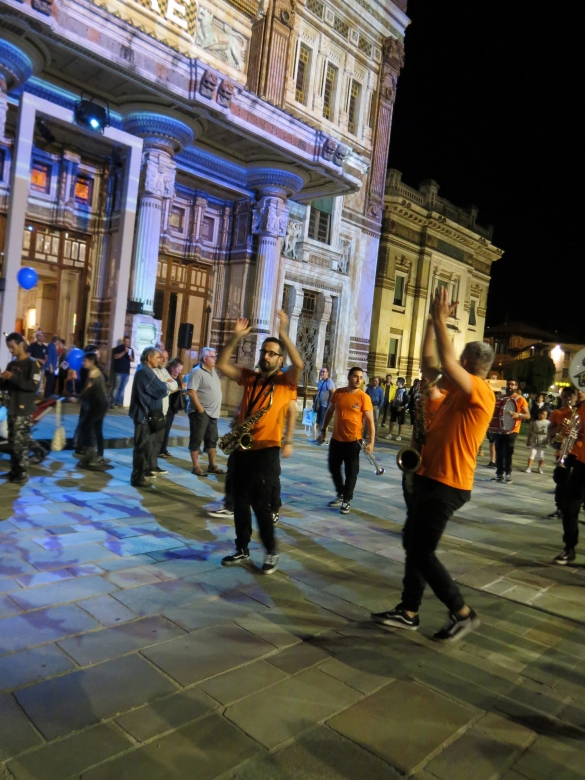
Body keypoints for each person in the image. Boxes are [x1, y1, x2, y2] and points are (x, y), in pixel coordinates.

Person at [372, 288, 495, 644]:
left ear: (469, 365)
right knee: (414, 544)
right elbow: (429, 364)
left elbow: (445, 360)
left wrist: (441, 320)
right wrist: (429, 321)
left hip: (449, 484)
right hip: (428, 476)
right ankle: (408, 611)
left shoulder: (479, 392)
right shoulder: (456, 391)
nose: (450, 366)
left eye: (458, 362)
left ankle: (462, 612)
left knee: (421, 549)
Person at [216, 311, 303, 574]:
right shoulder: (250, 377)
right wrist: (234, 338)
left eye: (271, 353)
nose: (265, 356)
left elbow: (298, 365)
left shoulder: (285, 382)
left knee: (261, 505)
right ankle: (242, 548)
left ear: (279, 359)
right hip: (242, 448)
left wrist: (285, 333)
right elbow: (222, 365)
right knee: (240, 502)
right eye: (264, 351)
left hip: (266, 450)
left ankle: (271, 551)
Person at [318, 367, 375, 515]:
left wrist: (371, 442)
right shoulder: (339, 393)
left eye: (361, 377)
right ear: (349, 377)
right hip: (337, 439)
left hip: (353, 441)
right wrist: (323, 430)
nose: (358, 380)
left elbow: (370, 421)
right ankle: (341, 493)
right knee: (333, 467)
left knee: (351, 472)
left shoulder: (364, 397)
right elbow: (330, 411)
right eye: (355, 376)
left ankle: (347, 500)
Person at [0, 333, 41, 484]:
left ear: (21, 344)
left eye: (12, 347)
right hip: (11, 408)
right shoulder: (12, 364)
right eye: (8, 347)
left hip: (23, 410)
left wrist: (12, 377)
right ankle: (14, 471)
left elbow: (32, 386)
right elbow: (5, 386)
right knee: (12, 442)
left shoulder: (32, 364)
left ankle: (22, 474)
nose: (10, 350)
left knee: (20, 444)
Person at [128, 347, 168, 487]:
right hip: (143, 416)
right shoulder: (144, 372)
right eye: (158, 357)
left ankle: (142, 474)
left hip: (146, 416)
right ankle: (138, 477)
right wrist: (164, 385)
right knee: (142, 448)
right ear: (149, 358)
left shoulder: (146, 371)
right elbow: (162, 389)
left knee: (146, 447)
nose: (160, 360)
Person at [555, 392, 585, 564]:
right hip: (582, 463)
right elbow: (578, 432)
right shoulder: (583, 407)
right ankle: (569, 548)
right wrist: (571, 432)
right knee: (569, 507)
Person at [186, 346, 225, 476]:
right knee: (196, 438)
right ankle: (196, 466)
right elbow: (191, 392)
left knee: (212, 439)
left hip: (213, 412)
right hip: (201, 412)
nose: (215, 359)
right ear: (205, 358)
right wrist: (200, 410)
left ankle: (212, 465)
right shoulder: (197, 372)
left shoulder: (213, 371)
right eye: (213, 357)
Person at [547, 386, 579, 518]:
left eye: (570, 397)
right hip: (563, 451)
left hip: (578, 452)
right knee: (561, 480)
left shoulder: (580, 413)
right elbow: (550, 432)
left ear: (575, 397)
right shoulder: (557, 413)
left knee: (577, 483)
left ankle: (573, 509)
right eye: (564, 397)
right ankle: (560, 507)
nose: (566, 400)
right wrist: (560, 427)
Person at [76, 353, 110, 469]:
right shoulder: (94, 371)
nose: (83, 363)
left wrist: (78, 398)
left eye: (85, 361)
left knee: (87, 426)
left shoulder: (93, 372)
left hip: (98, 405)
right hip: (99, 404)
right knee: (96, 429)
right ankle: (98, 453)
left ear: (91, 361)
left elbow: (87, 390)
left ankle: (92, 452)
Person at [492, 379, 530, 483]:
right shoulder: (502, 398)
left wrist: (519, 415)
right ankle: (499, 474)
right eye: (509, 384)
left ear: (516, 387)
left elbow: (528, 415)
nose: (510, 386)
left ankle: (508, 474)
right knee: (499, 452)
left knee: (507, 452)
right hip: (500, 428)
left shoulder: (520, 399)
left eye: (512, 385)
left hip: (512, 430)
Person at [148, 349, 178, 476]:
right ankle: (146, 467)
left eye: (166, 357)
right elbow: (159, 389)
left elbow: (175, 385)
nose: (164, 359)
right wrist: (167, 385)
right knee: (150, 441)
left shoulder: (164, 371)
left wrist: (165, 385)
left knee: (158, 441)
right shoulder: (150, 371)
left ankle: (153, 465)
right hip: (153, 413)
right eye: (161, 357)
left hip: (163, 412)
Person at [159, 357, 185, 458]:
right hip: (166, 405)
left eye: (181, 370)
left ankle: (164, 448)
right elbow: (167, 390)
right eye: (178, 369)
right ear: (172, 367)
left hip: (173, 406)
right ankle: (160, 450)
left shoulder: (177, 377)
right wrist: (179, 388)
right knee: (163, 429)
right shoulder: (166, 376)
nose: (179, 372)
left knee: (168, 429)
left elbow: (178, 389)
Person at [311, 367, 335, 443]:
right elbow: (319, 393)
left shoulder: (329, 382)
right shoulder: (320, 382)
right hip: (319, 405)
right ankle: (319, 437)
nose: (322, 373)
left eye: (324, 372)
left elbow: (334, 393)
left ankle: (325, 439)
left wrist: (331, 404)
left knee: (324, 423)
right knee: (318, 422)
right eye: (321, 372)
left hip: (325, 405)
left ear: (327, 373)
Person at [111, 336, 134, 408]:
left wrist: (130, 356)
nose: (126, 343)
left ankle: (119, 402)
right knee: (116, 387)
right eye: (125, 341)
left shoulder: (130, 349)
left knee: (122, 388)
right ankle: (112, 403)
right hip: (118, 371)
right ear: (123, 341)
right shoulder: (118, 348)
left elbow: (132, 360)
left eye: (128, 342)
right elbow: (116, 357)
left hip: (126, 372)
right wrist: (124, 352)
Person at [524, 408, 549, 473]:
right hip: (535, 439)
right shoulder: (534, 422)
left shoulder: (548, 422)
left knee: (541, 455)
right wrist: (528, 440)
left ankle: (540, 467)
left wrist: (548, 439)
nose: (544, 416)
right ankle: (529, 467)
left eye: (546, 415)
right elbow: (530, 431)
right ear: (539, 414)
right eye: (543, 414)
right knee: (532, 453)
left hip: (543, 440)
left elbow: (550, 431)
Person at [386, 377, 408, 441]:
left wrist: (401, 406)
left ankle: (399, 436)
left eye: (397, 381)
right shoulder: (397, 389)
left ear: (400, 383)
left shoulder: (404, 391)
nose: (396, 382)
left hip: (400, 409)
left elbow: (406, 400)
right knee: (392, 420)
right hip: (394, 407)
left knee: (400, 422)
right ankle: (390, 434)